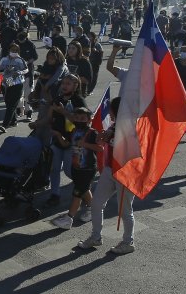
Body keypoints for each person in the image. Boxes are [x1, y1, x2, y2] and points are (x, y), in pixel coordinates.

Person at [77, 97, 137, 255]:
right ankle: (96, 237)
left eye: (110, 110)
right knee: (96, 204)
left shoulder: (131, 127)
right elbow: (104, 144)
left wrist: (111, 134)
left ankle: (128, 242)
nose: (108, 112)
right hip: (110, 171)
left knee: (125, 210)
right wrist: (103, 136)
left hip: (125, 172)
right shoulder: (114, 125)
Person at [34, 73, 85, 207]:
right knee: (54, 169)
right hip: (56, 140)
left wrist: (64, 112)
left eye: (68, 84)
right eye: (63, 83)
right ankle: (55, 194)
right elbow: (49, 118)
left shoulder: (78, 101)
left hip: (72, 142)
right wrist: (37, 124)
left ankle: (84, 191)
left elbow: (81, 120)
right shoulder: (57, 99)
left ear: (76, 86)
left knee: (69, 171)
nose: (64, 86)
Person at [50, 107, 100, 230]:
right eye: (76, 118)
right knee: (84, 190)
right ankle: (92, 210)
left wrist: (85, 144)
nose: (79, 120)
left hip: (87, 168)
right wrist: (58, 135)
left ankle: (69, 218)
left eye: (82, 118)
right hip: (76, 167)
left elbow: (100, 148)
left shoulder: (92, 132)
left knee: (77, 193)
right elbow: (66, 144)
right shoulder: (73, 131)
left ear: (89, 120)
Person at [0, 44, 28, 129]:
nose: (14, 52)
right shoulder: (4, 59)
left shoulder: (20, 60)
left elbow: (26, 69)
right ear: (9, 50)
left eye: (16, 50)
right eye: (12, 50)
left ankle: (4, 125)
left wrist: (20, 72)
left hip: (18, 83)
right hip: (8, 82)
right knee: (9, 103)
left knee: (12, 105)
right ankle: (14, 121)